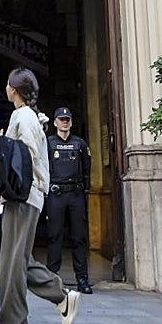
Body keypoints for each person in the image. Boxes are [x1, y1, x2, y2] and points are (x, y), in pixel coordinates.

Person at [0, 68, 80, 324]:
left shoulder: (23, 116)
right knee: (19, 260)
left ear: (13, 89)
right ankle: (61, 297)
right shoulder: (29, 117)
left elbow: (24, 156)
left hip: (24, 195)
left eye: (7, 84)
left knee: (12, 263)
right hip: (28, 195)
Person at [45, 106, 94, 294]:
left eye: (67, 119)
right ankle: (51, 278)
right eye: (61, 119)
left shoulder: (80, 144)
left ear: (71, 122)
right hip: (56, 194)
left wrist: (86, 190)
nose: (64, 122)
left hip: (75, 194)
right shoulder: (48, 143)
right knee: (54, 236)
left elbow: (87, 169)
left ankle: (82, 278)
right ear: (55, 122)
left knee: (79, 237)